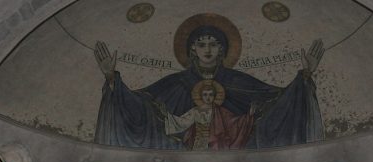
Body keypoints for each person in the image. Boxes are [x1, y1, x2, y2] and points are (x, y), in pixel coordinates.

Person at [94, 15, 324, 149]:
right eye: (201, 44)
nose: (207, 49)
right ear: (192, 49)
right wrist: (112, 79)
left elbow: (274, 99)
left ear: (222, 49)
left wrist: (304, 77)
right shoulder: (175, 83)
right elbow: (144, 104)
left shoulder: (238, 81)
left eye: (213, 44)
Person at [162, 80, 256, 150]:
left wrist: (249, 115)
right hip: (198, 144)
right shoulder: (195, 111)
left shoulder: (220, 111)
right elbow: (181, 122)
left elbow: (234, 122)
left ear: (215, 96)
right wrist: (167, 115)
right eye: (205, 95)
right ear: (201, 96)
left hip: (217, 145)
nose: (208, 97)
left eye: (210, 95)